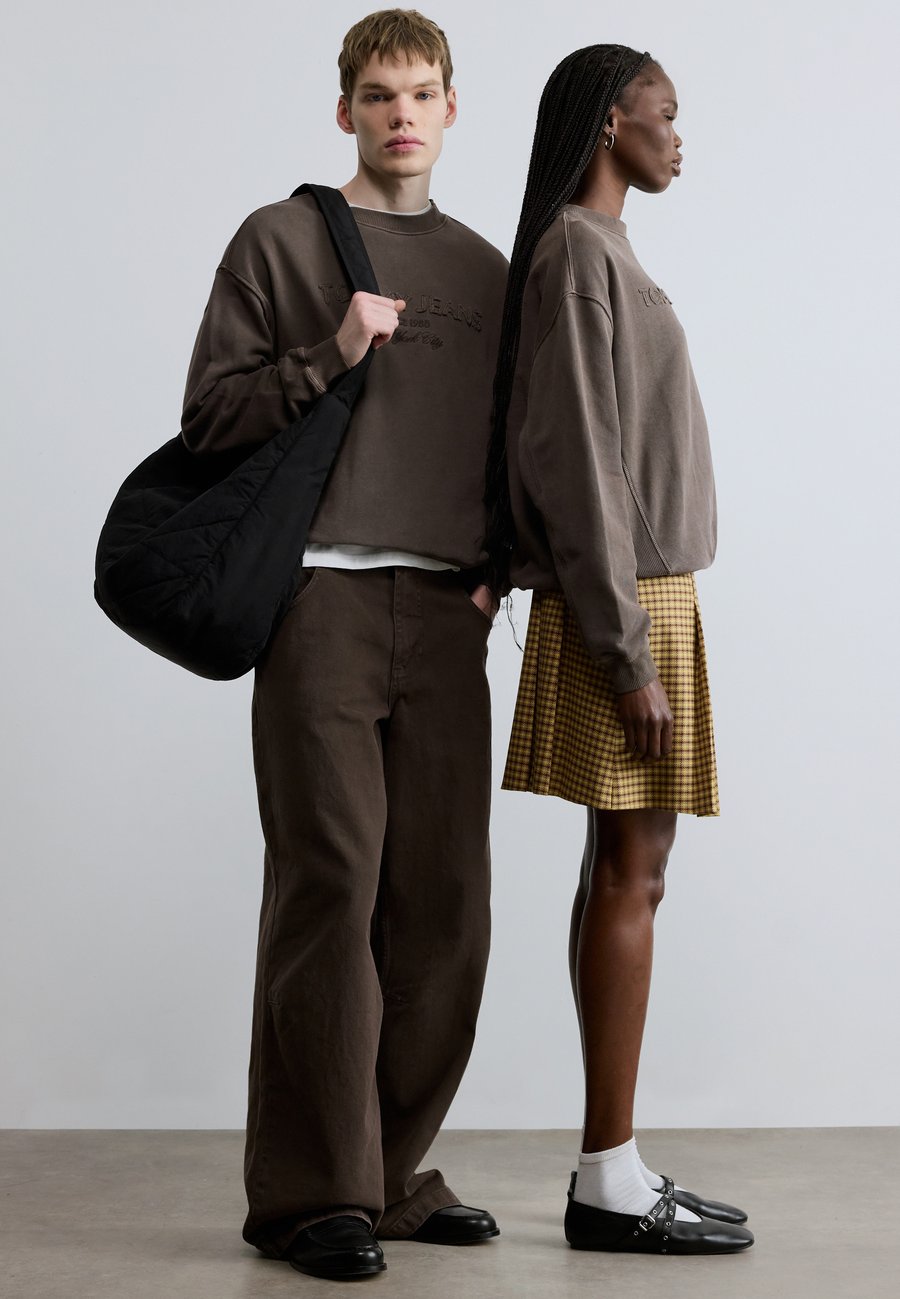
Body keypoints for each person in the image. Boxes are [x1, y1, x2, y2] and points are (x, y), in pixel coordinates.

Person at [181, 9, 506, 1282]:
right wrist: (332, 351)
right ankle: (311, 1198)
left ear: (452, 108)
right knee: (332, 885)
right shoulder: (279, 240)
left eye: (421, 93)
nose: (401, 115)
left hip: (447, 613)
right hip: (317, 602)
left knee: (447, 910)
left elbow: (518, 443)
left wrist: (503, 569)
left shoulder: (487, 269)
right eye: (378, 95)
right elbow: (210, 417)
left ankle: (389, 1171)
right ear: (345, 112)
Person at [485, 45, 755, 1255]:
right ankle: (606, 1178)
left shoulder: (601, 249)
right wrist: (626, 649)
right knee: (629, 872)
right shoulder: (575, 254)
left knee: (630, 868)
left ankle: (617, 1165)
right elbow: (574, 457)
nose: (679, 136)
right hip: (624, 603)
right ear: (610, 122)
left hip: (646, 597)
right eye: (665, 114)